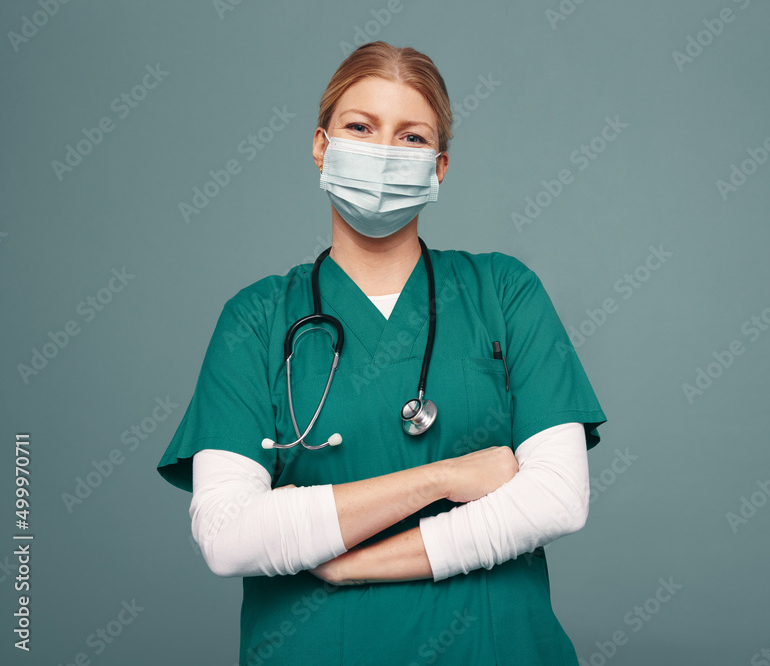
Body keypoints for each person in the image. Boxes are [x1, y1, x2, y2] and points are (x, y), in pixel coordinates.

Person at [156, 41, 607, 665]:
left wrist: (356, 565)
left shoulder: (502, 292)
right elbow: (229, 536)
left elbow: (556, 499)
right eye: (360, 128)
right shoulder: (257, 319)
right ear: (321, 145)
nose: (383, 154)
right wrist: (442, 478)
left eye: (411, 138)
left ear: (440, 167)